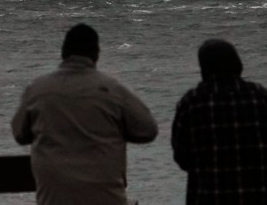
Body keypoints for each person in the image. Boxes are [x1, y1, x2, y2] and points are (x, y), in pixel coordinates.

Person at [11, 23, 158, 205]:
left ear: (63, 53)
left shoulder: (37, 91)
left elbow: (19, 134)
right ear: (96, 54)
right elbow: (148, 130)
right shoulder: (112, 90)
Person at [171, 39, 267, 205]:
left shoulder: (191, 102)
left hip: (210, 196)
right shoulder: (261, 96)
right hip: (261, 195)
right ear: (237, 63)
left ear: (204, 68)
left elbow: (182, 156)